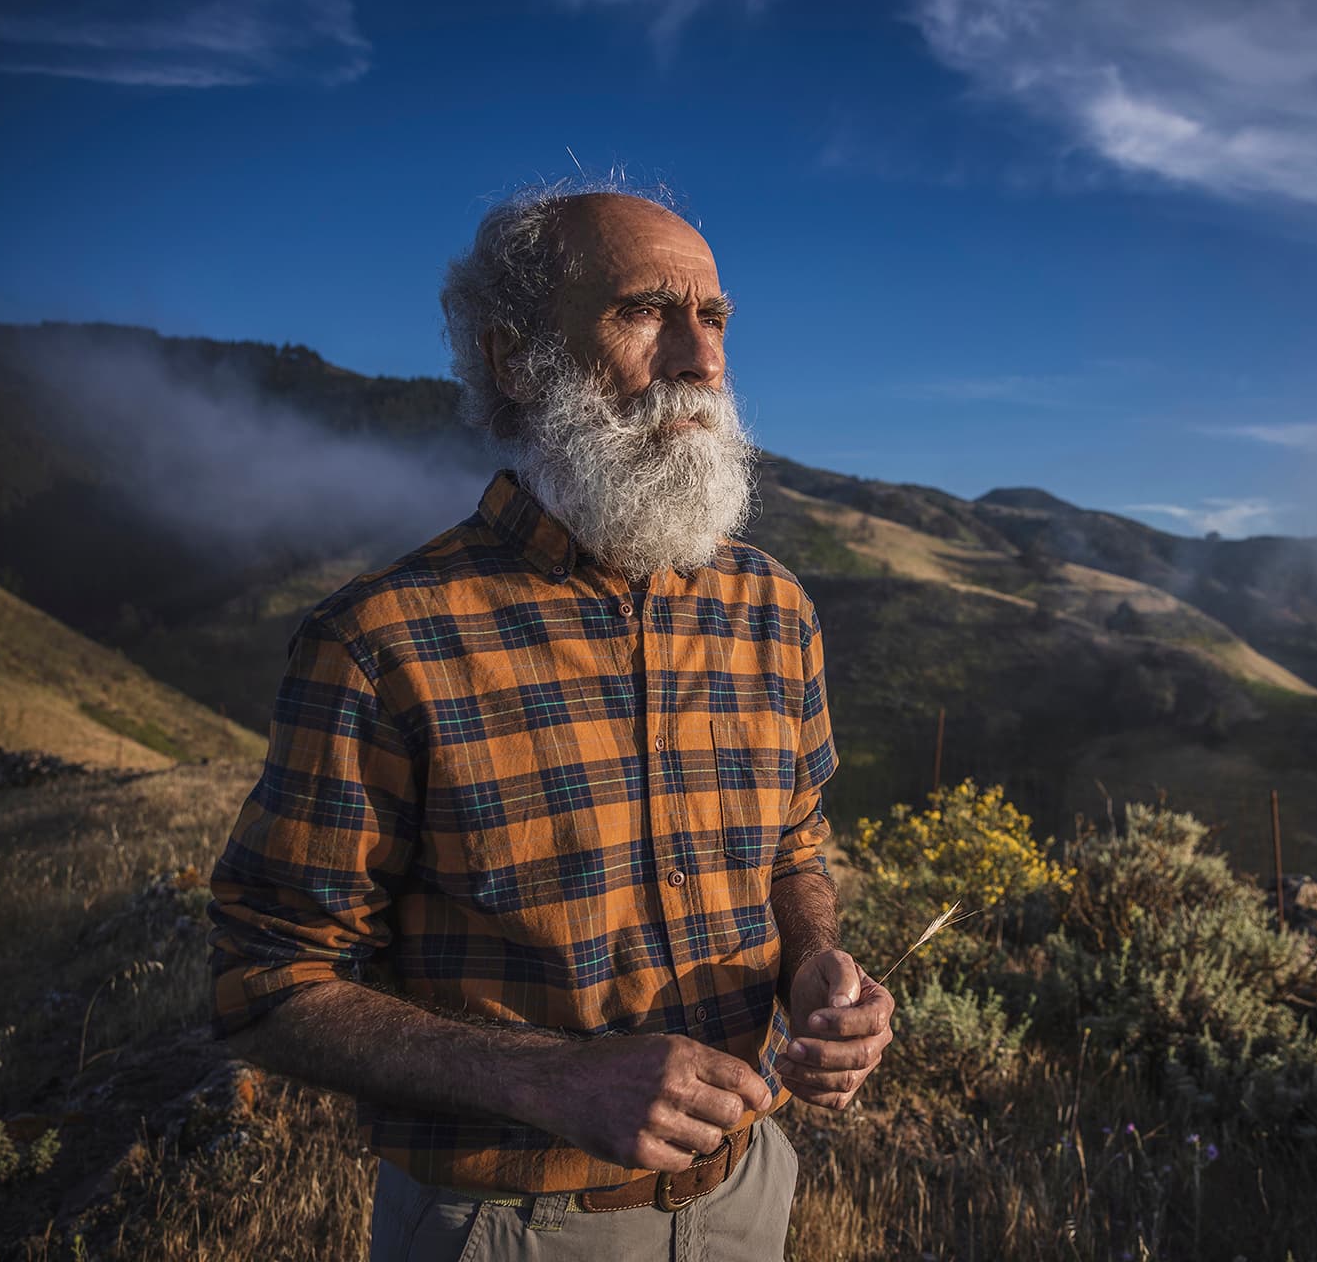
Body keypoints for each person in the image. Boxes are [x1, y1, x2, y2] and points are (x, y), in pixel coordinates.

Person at [206, 184, 893, 1261]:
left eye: (713, 319)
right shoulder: (383, 640)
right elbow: (267, 981)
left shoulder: (773, 610)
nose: (702, 361)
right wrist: (545, 1077)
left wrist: (814, 962)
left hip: (749, 1197)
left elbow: (794, 844)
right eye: (646, 312)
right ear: (517, 358)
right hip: (508, 1229)